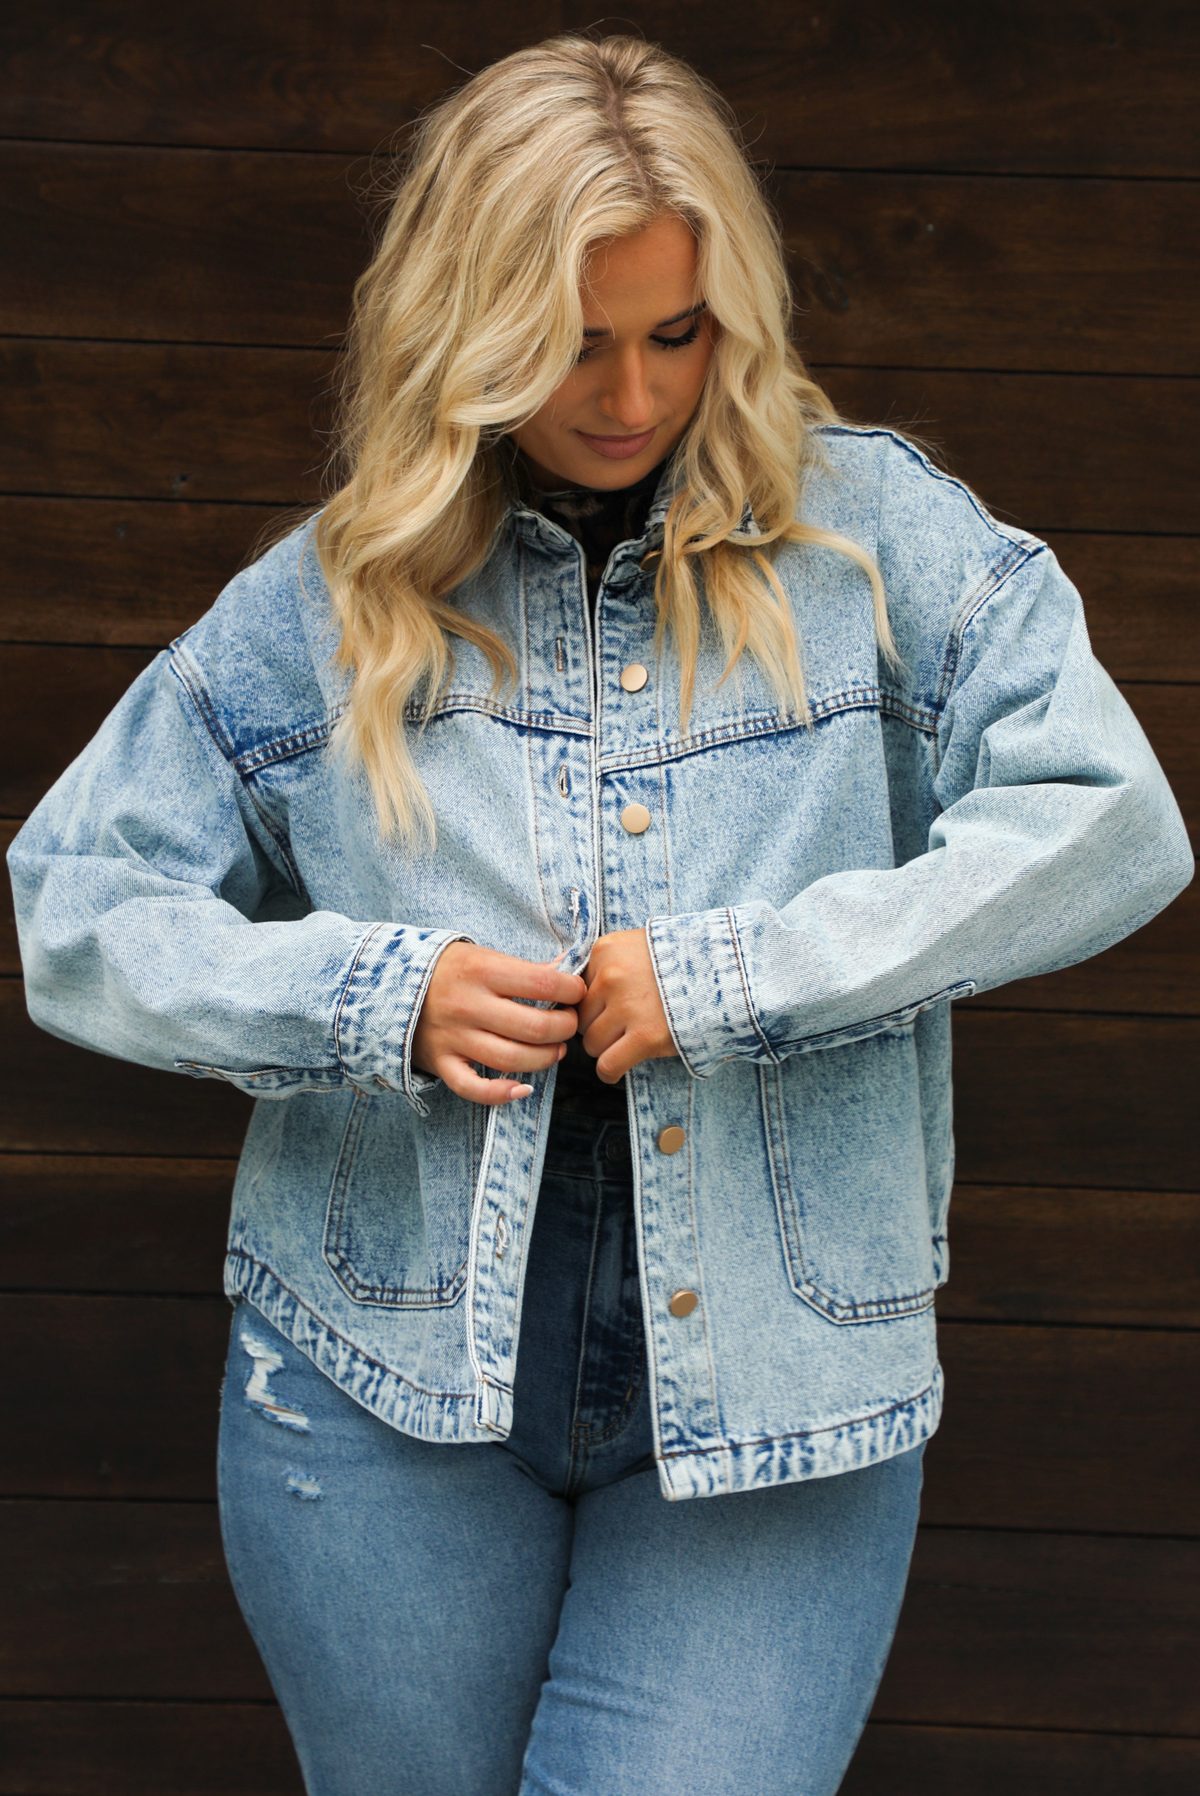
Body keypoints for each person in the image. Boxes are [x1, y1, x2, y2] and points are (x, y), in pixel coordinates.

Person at [8, 33, 1192, 1796]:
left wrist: (736, 976)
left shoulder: (874, 537)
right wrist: (373, 997)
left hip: (780, 1400)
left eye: (674, 332)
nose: (630, 394)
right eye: (570, 339)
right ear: (466, 318)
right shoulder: (338, 596)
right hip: (378, 1384)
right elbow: (74, 899)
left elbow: (1115, 822)